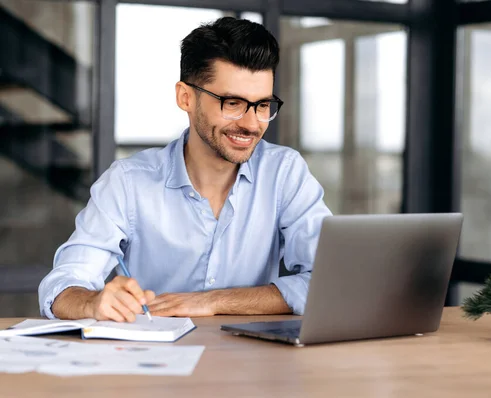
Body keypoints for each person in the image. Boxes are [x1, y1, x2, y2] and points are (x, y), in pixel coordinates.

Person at [38, 17, 332, 322]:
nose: (251, 123)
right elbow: (62, 286)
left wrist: (215, 301)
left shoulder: (285, 172)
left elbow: (329, 281)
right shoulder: (128, 182)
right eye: (232, 103)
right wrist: (91, 302)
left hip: (252, 363)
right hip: (152, 359)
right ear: (186, 97)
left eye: (262, 106)